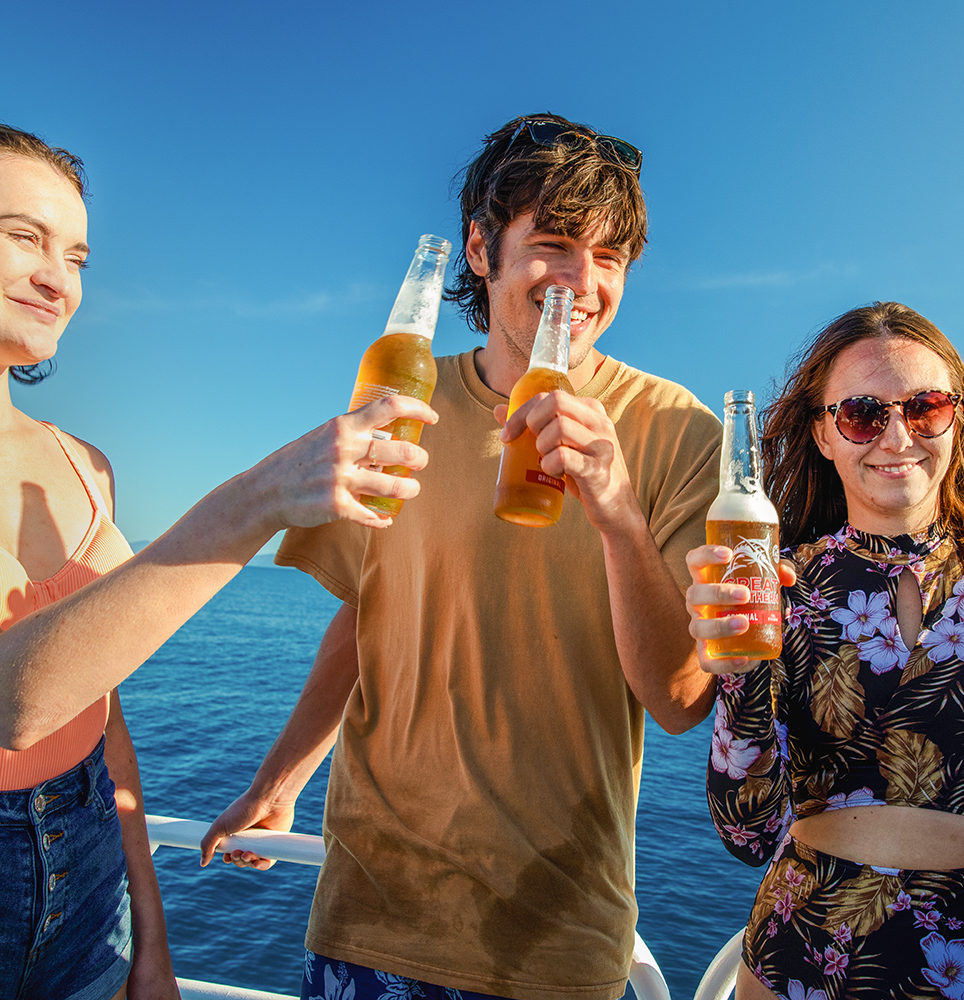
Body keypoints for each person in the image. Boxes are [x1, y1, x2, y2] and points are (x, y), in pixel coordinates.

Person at [0, 120, 433, 999]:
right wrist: (257, 500)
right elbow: (7, 697)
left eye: (78, 256)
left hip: (91, 883)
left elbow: (100, 725)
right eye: (24, 237)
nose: (59, 277)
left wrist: (151, 943)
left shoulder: (86, 466)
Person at [200, 113, 723, 1000]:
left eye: (611, 258)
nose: (582, 283)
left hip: (556, 936)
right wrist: (278, 779)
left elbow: (679, 704)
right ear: (480, 249)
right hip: (372, 913)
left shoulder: (675, 428)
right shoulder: (401, 401)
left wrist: (619, 515)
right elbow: (371, 608)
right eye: (554, 245)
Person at [688, 302, 964, 1000]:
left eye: (924, 408)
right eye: (863, 413)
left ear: (957, 418)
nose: (897, 435)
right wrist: (740, 677)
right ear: (824, 434)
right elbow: (747, 835)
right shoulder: (779, 583)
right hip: (798, 958)